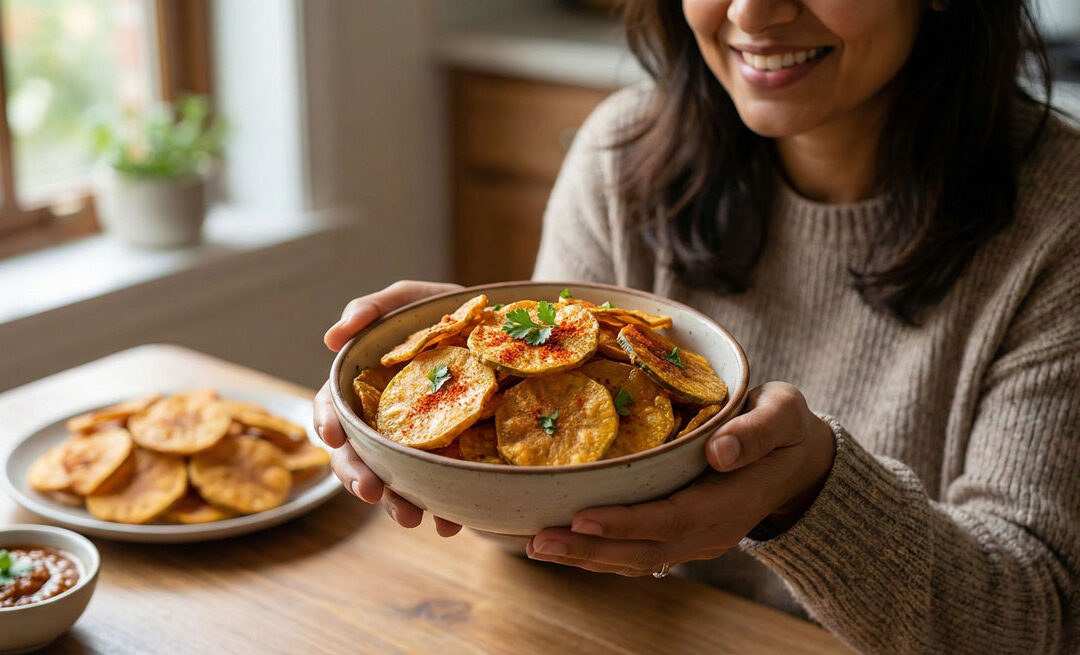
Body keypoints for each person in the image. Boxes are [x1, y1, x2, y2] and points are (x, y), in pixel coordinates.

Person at [313, 1, 1080, 652]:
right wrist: (471, 408)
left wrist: (808, 490)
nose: (750, 12)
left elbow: (1036, 620)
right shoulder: (623, 158)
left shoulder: (1060, 218)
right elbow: (544, 547)